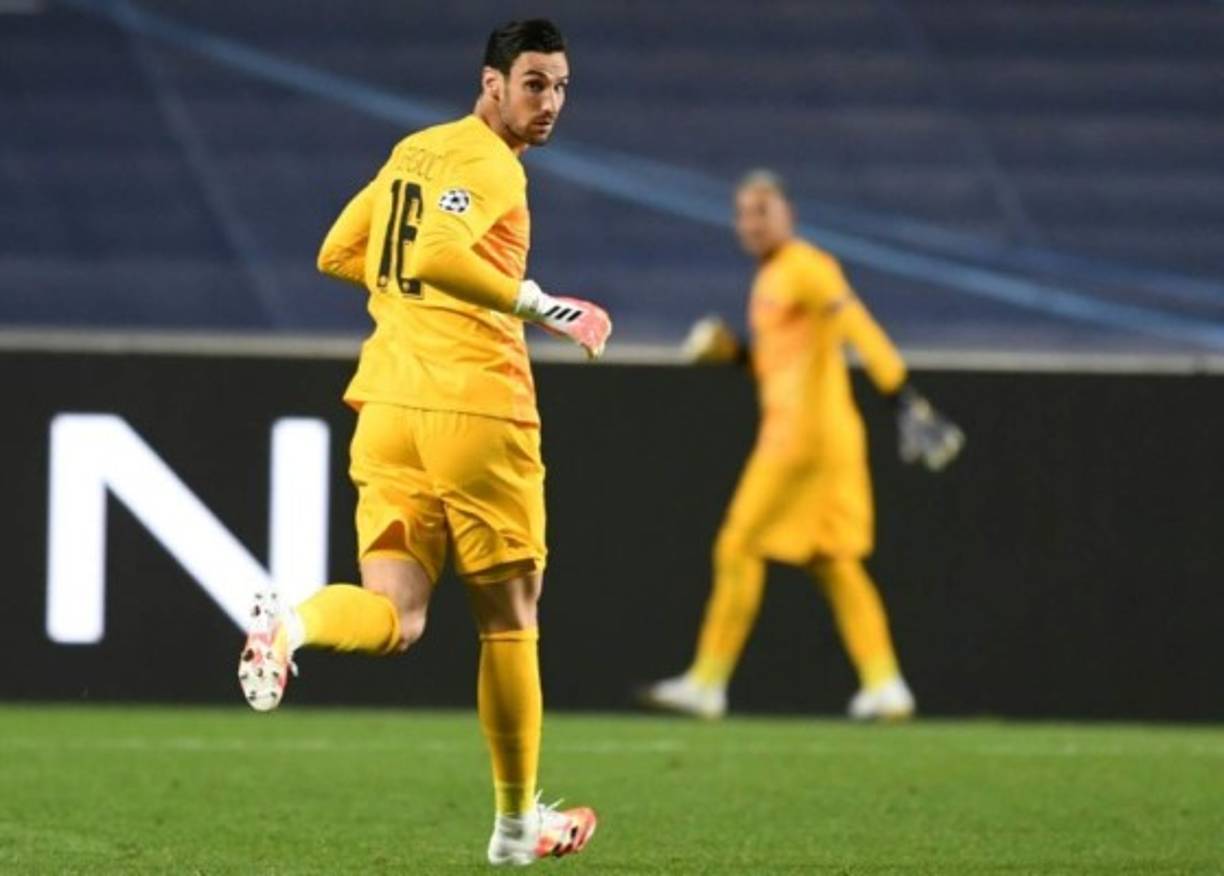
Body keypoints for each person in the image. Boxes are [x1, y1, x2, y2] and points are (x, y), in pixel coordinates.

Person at [237, 19, 610, 866]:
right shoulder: (490, 166)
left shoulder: (415, 151)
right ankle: (516, 830)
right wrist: (544, 306)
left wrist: (405, 285)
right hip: (476, 411)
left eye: (560, 87)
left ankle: (289, 627)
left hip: (388, 411)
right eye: (533, 85)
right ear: (491, 85)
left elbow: (340, 251)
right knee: (511, 622)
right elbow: (440, 252)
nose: (548, 103)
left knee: (398, 618)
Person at [642, 170, 962, 722]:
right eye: (744, 213)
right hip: (832, 436)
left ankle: (708, 682)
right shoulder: (772, 279)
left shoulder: (808, 268)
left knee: (738, 545)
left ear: (789, 214)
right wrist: (733, 354)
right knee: (832, 559)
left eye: (763, 210)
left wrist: (902, 395)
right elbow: (779, 364)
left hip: (798, 438)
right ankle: (886, 685)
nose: (751, 223)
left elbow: (858, 326)